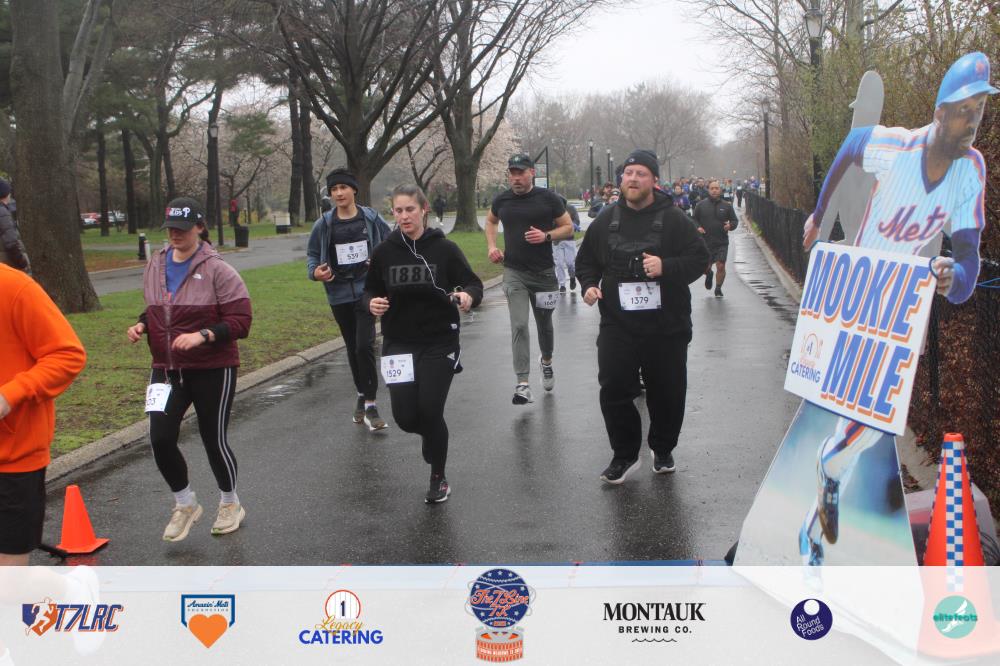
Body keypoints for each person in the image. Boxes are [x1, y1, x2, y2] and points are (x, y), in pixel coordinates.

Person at [797, 51, 996, 565]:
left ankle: (820, 519)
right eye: (963, 109)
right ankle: (824, 487)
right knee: (857, 412)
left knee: (873, 420)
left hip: (900, 307)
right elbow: (850, 146)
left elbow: (968, 263)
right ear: (939, 112)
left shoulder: (971, 171)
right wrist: (819, 214)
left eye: (980, 109)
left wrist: (954, 280)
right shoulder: (897, 145)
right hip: (857, 290)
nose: (972, 120)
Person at [576, 150, 709, 484]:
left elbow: (700, 259)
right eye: (628, 173)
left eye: (641, 174)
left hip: (666, 325)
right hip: (618, 324)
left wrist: (666, 266)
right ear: (621, 179)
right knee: (613, 386)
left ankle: (662, 448)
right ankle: (624, 455)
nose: (633, 179)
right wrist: (589, 286)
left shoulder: (675, 220)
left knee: (668, 391)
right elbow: (586, 261)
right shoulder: (606, 219)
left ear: (654, 181)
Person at [126, 197, 252, 542]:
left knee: (213, 439)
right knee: (160, 438)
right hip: (166, 368)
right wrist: (142, 325)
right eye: (170, 228)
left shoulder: (218, 269)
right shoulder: (156, 263)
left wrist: (203, 335)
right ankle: (185, 503)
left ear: (199, 227)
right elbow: (158, 309)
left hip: (213, 367)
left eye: (182, 229)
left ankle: (230, 502)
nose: (175, 235)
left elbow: (241, 321)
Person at [365, 185, 483, 503]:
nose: (404, 216)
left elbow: (473, 283)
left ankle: (438, 476)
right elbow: (370, 290)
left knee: (430, 409)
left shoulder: (444, 249)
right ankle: (432, 436)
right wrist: (371, 303)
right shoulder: (384, 252)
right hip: (398, 343)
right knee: (405, 417)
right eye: (398, 211)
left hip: (439, 341)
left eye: (410, 210)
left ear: (424, 209)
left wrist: (468, 296)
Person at [0, 265, 86, 564]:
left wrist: (9, 396)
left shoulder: (14, 287)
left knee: (9, 583)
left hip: (13, 460)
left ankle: (72, 586)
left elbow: (67, 355)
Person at [307, 167, 392, 430]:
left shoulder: (371, 218)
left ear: (354, 189)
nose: (339, 193)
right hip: (339, 293)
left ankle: (371, 405)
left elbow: (391, 243)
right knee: (353, 347)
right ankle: (361, 393)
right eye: (334, 189)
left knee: (364, 345)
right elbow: (313, 255)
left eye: (343, 187)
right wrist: (315, 272)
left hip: (367, 291)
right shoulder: (324, 224)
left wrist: (379, 260)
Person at [486, 153, 574, 404]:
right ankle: (522, 383)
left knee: (544, 326)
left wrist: (546, 236)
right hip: (514, 273)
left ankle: (546, 360)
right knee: (519, 325)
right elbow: (491, 221)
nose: (515, 178)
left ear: (532, 173)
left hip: (544, 275)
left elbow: (568, 227)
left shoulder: (549, 199)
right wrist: (492, 246)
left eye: (520, 173)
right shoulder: (502, 200)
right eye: (512, 173)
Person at [692, 180, 739, 297]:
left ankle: (718, 288)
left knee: (721, 265)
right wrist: (698, 227)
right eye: (712, 188)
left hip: (721, 241)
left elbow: (734, 221)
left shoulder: (727, 206)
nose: (714, 190)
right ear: (708, 190)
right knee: (704, 267)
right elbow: (693, 220)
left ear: (720, 190)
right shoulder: (701, 205)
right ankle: (708, 273)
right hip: (705, 242)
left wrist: (730, 226)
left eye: (716, 188)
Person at [0, 179, 29, 273]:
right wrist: (22, 263)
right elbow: (11, 243)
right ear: (5, 194)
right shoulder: (2, 212)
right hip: (8, 265)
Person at [553, 195, 579, 293]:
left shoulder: (571, 209)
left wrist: (573, 225)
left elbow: (577, 220)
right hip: (556, 240)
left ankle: (572, 277)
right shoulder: (552, 210)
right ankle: (562, 285)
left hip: (569, 239)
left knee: (570, 263)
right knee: (559, 264)